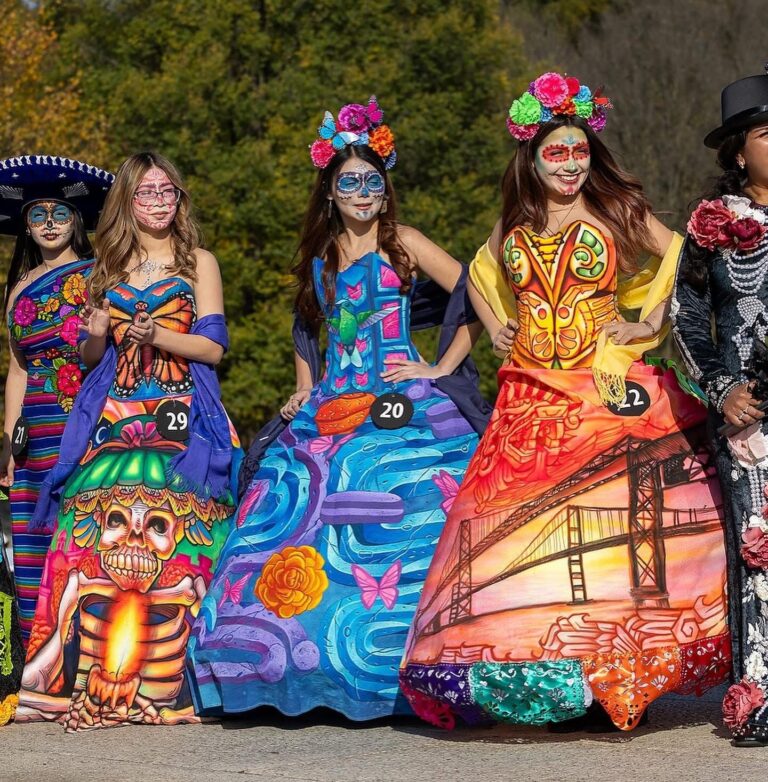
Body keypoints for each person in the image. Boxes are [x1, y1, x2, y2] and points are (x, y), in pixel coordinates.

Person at [401, 73, 729, 732]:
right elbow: (479, 274)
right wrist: (497, 324)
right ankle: (545, 674)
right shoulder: (513, 223)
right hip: (527, 394)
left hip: (598, 391)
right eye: (557, 152)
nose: (571, 164)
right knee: (504, 535)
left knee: (613, 542)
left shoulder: (615, 213)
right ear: (532, 157)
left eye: (580, 151)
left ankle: (614, 675)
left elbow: (682, 254)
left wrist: (648, 322)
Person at [187, 97, 486, 720]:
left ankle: (405, 662)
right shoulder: (321, 257)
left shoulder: (404, 242)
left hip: (400, 393)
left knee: (412, 502)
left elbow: (476, 289)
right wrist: (306, 383)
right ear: (330, 191)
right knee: (291, 506)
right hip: (332, 400)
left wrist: (442, 366)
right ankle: (294, 667)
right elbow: (306, 324)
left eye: (372, 182)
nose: (362, 193)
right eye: (349, 182)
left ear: (385, 188)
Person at [17, 152, 239, 731]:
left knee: (182, 544)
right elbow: (94, 356)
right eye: (146, 192)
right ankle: (74, 682)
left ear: (179, 200)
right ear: (127, 202)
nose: (158, 202)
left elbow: (214, 349)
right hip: (114, 412)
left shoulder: (199, 263)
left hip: (181, 412)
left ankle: (177, 687)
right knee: (88, 538)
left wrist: (159, 334)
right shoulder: (106, 268)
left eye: (168, 191)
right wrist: (94, 336)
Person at [672, 68, 768, 747]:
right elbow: (684, 319)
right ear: (737, 153)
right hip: (750, 416)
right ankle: (761, 695)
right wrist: (721, 388)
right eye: (767, 133)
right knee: (762, 554)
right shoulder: (714, 229)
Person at [0, 155, 113, 644]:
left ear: (77, 220)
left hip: (83, 420)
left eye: (59, 213)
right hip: (33, 430)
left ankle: (86, 648)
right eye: (38, 216)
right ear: (26, 226)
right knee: (30, 536)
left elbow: (102, 354)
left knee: (81, 529)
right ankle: (36, 651)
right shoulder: (18, 289)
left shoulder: (98, 276)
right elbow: (18, 367)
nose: (49, 224)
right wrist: (8, 441)